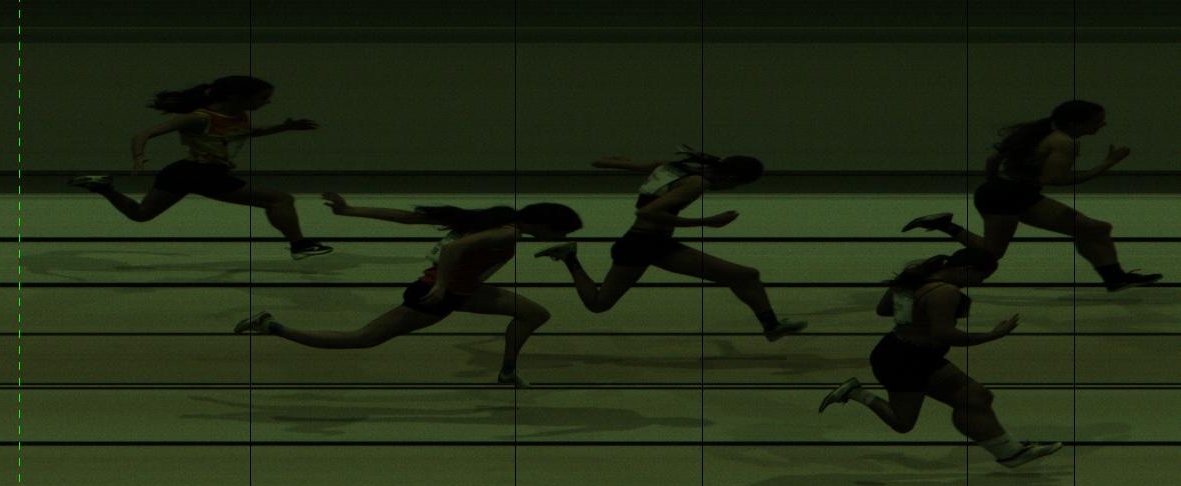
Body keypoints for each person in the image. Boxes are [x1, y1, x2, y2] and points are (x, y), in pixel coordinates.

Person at [235, 194, 584, 387]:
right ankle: (271, 326)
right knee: (362, 339)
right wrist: (442, 285)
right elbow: (453, 250)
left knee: (534, 314)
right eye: (561, 232)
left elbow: (410, 217)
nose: (562, 237)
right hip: (438, 293)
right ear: (543, 225)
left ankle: (507, 372)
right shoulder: (507, 233)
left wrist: (351, 211)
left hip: (465, 290)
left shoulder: (497, 217)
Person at [819, 249, 1062, 468]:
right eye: (982, 277)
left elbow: (883, 309)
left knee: (976, 397)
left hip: (907, 352)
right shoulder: (945, 292)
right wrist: (993, 335)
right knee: (902, 423)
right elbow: (944, 334)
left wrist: (913, 312)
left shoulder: (915, 277)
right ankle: (855, 392)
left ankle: (1010, 453)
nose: (980, 283)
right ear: (967, 270)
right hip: (905, 361)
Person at [534, 146, 806, 341]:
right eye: (736, 186)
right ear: (731, 178)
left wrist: (611, 162)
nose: (731, 190)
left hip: (658, 244)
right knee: (598, 303)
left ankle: (771, 326)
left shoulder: (672, 167)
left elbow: (608, 164)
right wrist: (708, 222)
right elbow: (647, 213)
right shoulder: (696, 183)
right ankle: (569, 256)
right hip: (640, 245)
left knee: (745, 275)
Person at [902, 100, 1160, 291]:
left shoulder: (1039, 132)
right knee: (990, 256)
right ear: (1077, 123)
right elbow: (1054, 179)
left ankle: (1115, 278)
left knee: (1096, 229)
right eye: (1097, 121)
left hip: (1009, 193)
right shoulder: (1064, 141)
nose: (1102, 125)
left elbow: (993, 159)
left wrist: (994, 184)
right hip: (1009, 196)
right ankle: (935, 256)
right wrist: (1107, 164)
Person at [69, 75, 332, 260]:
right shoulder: (199, 118)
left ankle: (104, 188)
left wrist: (283, 128)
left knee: (140, 215)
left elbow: (247, 132)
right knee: (280, 199)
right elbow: (142, 134)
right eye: (263, 98)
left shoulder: (237, 115)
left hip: (183, 172)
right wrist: (139, 157)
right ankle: (299, 245)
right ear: (238, 97)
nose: (268, 102)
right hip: (201, 173)